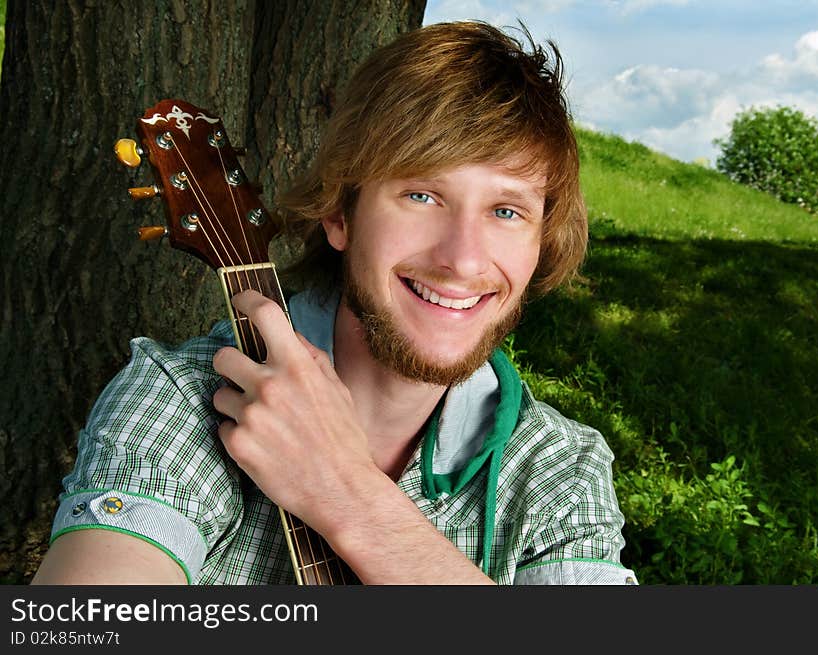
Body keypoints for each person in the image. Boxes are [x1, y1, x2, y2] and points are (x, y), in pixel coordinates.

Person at [32, 20, 637, 585]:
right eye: (423, 195)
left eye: (507, 211)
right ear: (340, 214)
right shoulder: (179, 402)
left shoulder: (560, 472)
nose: (464, 259)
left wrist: (346, 492)